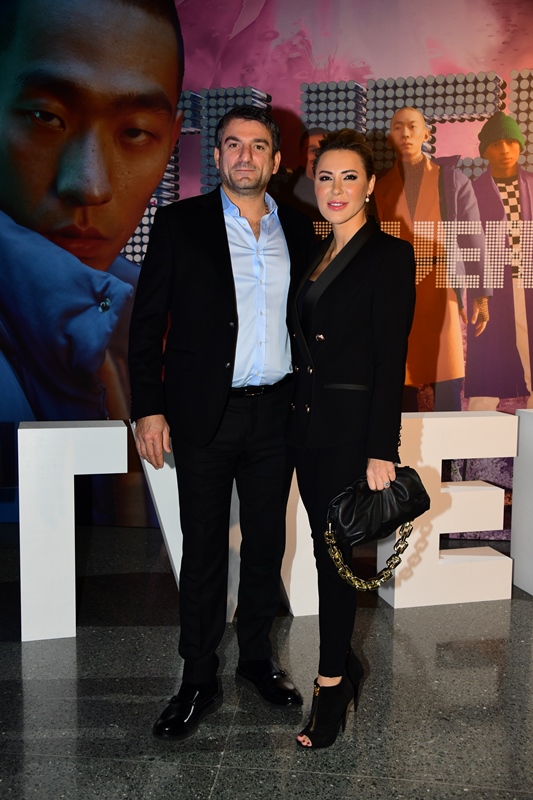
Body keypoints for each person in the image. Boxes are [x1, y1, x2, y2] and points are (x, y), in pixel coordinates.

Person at [128, 106, 315, 741]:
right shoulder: (181, 223)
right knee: (204, 547)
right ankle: (198, 676)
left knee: (265, 544)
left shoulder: (301, 229)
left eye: (258, 146)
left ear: (277, 160)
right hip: (204, 413)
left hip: (277, 413)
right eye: (233, 144)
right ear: (216, 156)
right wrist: (147, 406)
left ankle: (257, 660)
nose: (244, 156)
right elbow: (146, 323)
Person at [0, 0, 183, 522]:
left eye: (135, 132)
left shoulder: (144, 317)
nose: (89, 183)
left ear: (171, 141)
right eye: (46, 118)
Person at [288, 129, 416, 748]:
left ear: (369, 186)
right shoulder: (313, 254)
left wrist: (381, 448)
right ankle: (343, 664)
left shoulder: (390, 256)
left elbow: (390, 359)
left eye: (348, 177)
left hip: (349, 433)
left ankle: (332, 682)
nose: (335, 189)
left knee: (333, 558)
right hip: (304, 429)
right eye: (325, 177)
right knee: (324, 552)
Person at [373, 106, 487, 412]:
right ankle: (401, 440)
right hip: (397, 289)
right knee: (399, 375)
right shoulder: (379, 187)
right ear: (390, 137)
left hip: (441, 283)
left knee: (447, 374)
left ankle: (448, 443)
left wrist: (480, 294)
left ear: (426, 133)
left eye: (413, 126)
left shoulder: (453, 181)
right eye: (398, 127)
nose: (405, 133)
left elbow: (473, 237)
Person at [465, 111, 533, 409]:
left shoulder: (531, 183)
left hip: (528, 277)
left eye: (510, 142)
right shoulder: (473, 190)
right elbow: (466, 241)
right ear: (485, 151)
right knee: (488, 348)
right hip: (492, 281)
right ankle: (481, 413)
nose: (504, 150)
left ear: (520, 145)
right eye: (496, 144)